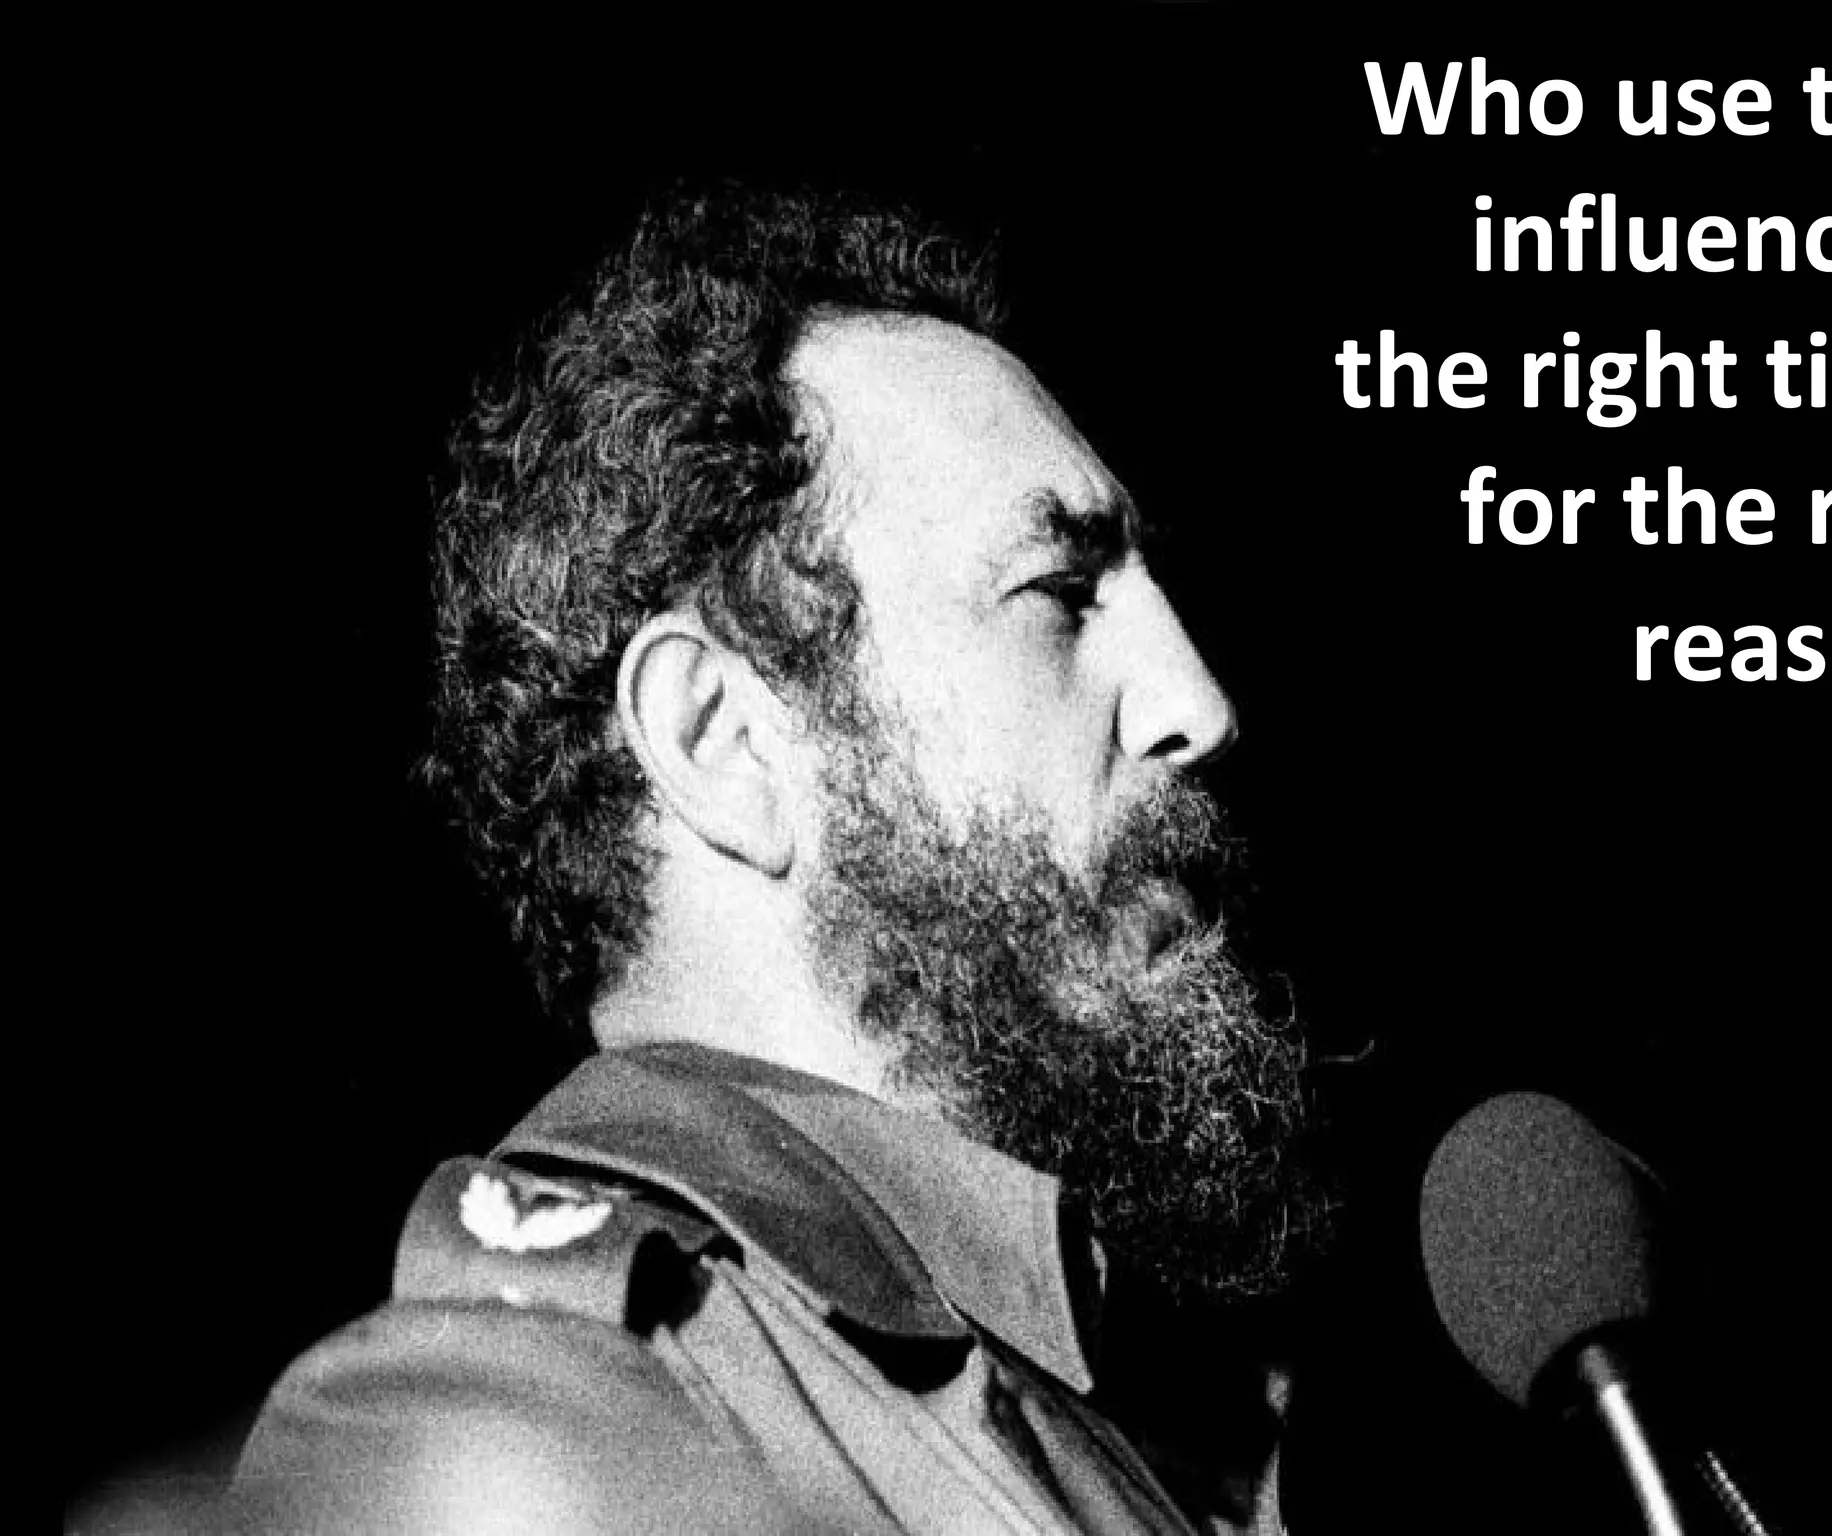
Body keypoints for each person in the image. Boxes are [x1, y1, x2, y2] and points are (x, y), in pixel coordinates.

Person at [227, 180, 1331, 1535]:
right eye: (1057, 592)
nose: (1197, 703)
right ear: (721, 739)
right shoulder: (530, 1413)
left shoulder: (1138, 1394)